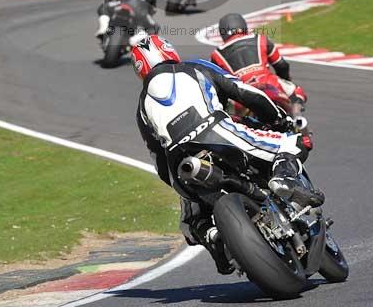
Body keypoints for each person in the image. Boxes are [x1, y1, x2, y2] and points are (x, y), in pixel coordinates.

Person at [133, 35, 324, 274]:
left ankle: (213, 236)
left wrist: (178, 184)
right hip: (218, 133)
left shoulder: (141, 107)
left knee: (191, 222)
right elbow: (244, 92)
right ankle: (283, 178)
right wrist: (277, 118)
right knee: (292, 142)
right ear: (169, 51)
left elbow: (159, 161)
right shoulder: (196, 66)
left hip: (179, 163)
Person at [210, 12, 308, 111]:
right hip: (269, 83)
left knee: (225, 109)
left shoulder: (216, 54)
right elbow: (281, 65)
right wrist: (286, 78)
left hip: (242, 92)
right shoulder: (261, 39)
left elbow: (218, 85)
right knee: (297, 91)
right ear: (243, 25)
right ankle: (297, 118)